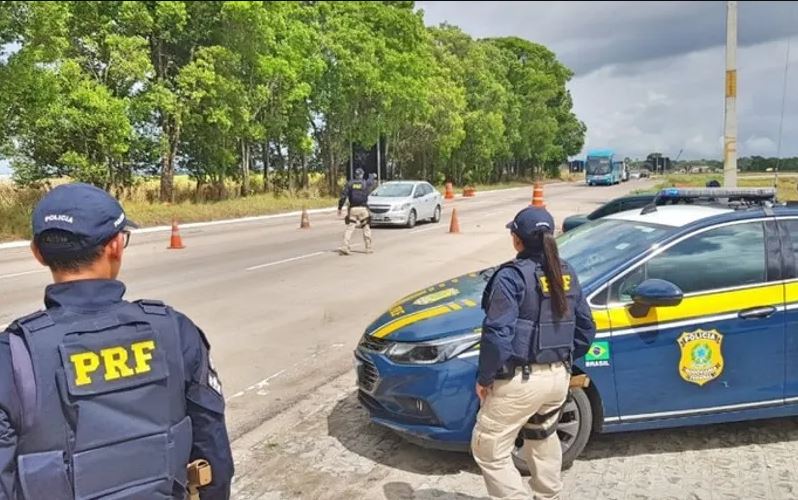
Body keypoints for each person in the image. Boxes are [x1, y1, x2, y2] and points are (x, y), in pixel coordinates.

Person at [0, 183, 234, 500]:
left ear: (38, 253)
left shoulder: (14, 357)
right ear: (115, 246)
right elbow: (212, 451)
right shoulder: (174, 332)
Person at [472, 206, 595, 500]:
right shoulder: (566, 272)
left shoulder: (511, 277)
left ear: (517, 240)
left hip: (521, 381)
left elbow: (498, 334)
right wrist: (560, 363)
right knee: (542, 437)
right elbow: (586, 328)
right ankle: (548, 495)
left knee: (487, 448)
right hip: (558, 379)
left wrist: (485, 377)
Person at [337, 168, 373, 255]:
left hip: (353, 209)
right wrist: (372, 176)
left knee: (350, 228)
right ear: (362, 175)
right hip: (363, 209)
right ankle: (368, 248)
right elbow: (370, 181)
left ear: (355, 175)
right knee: (366, 228)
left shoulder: (350, 183)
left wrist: (340, 208)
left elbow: (343, 197)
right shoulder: (365, 183)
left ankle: (345, 246)